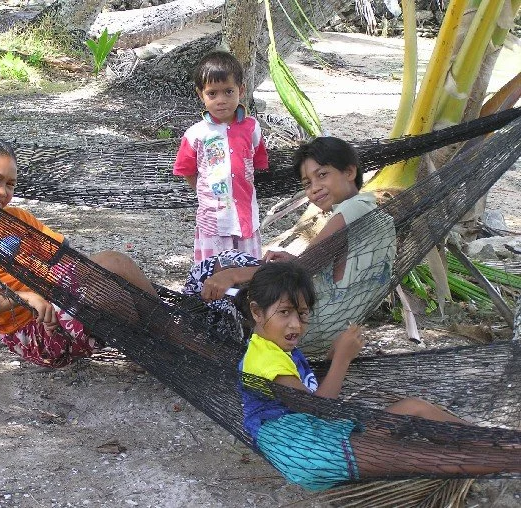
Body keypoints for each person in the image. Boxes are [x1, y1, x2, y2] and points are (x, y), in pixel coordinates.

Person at [235, 262, 521, 491]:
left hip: (319, 438)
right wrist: (342, 361)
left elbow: (306, 398)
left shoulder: (274, 347)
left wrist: (333, 358)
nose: (295, 324)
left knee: (414, 408)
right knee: (428, 459)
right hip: (308, 454)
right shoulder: (265, 358)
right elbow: (319, 409)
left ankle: (494, 440)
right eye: (284, 312)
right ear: (257, 312)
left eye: (302, 314)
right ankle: (508, 454)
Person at [0, 136, 158, 368]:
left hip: (58, 299)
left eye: (10, 184)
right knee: (109, 297)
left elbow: (69, 262)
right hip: (33, 330)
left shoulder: (17, 219)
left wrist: (100, 279)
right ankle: (158, 347)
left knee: (114, 262)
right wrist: (23, 297)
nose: (2, 192)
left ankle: (168, 327)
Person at [183, 136, 396, 352]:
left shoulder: (353, 209)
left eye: (322, 175)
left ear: (349, 172)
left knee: (221, 265)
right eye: (307, 184)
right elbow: (330, 267)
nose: (314, 188)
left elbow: (303, 267)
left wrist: (234, 275)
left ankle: (190, 334)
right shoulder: (375, 212)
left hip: (308, 322)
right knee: (239, 272)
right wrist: (294, 261)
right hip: (334, 325)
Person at [173, 50, 269, 263]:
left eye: (228, 91)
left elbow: (258, 162)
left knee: (247, 272)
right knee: (214, 274)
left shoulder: (252, 128)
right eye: (212, 94)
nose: (221, 100)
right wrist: (208, 192)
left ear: (241, 90)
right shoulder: (196, 134)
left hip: (246, 218)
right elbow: (187, 171)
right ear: (201, 95)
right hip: (213, 221)